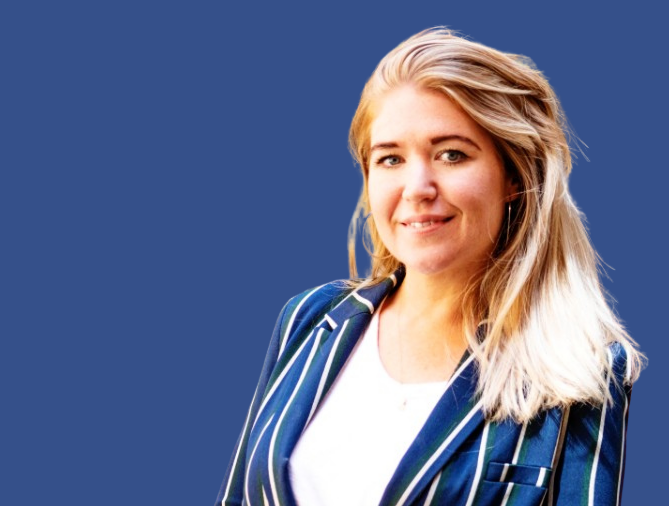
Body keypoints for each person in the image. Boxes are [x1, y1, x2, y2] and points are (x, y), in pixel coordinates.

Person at [216, 28, 645, 506]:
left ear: (514, 177)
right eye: (391, 159)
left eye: (452, 154)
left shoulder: (580, 369)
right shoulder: (311, 319)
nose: (417, 186)